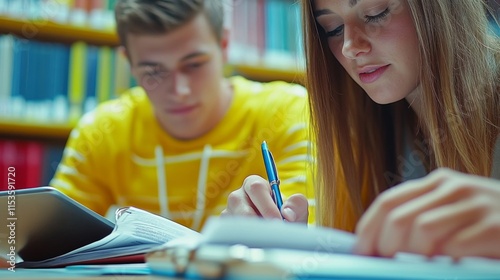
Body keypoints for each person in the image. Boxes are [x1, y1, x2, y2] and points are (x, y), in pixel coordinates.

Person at [222, 0, 500, 259]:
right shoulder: (373, 137)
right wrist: (288, 255)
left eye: (375, 13)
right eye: (333, 28)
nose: (348, 47)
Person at [50, 0, 315, 231]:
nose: (180, 91)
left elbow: (305, 225)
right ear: (129, 63)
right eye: (153, 71)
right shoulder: (101, 130)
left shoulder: (289, 113)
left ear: (223, 45)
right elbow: (43, 241)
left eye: (194, 64)